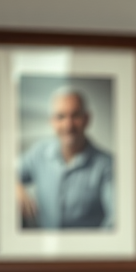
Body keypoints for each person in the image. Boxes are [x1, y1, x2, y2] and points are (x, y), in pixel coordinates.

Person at [17, 87, 115, 229]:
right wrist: (16, 188)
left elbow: (115, 218)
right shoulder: (39, 152)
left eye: (75, 116)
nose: (68, 125)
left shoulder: (107, 165)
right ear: (52, 121)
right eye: (60, 117)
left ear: (87, 119)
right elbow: (5, 173)